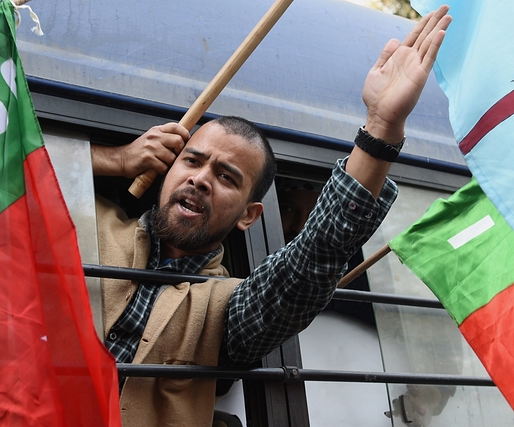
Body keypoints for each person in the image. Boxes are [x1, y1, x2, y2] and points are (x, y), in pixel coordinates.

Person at [89, 6, 452, 426]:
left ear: (249, 215)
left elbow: (310, 262)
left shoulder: (226, 308)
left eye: (226, 176)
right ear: (168, 168)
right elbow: (2, 167)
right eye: (192, 161)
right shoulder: (82, 219)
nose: (201, 179)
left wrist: (382, 126)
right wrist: (114, 159)